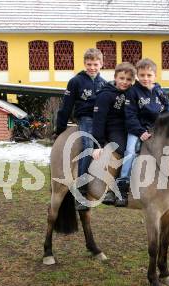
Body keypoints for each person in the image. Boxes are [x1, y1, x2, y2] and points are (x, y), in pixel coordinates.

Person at [114, 58, 169, 207]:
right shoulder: (132, 92)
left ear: (155, 76)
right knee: (130, 151)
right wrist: (140, 132)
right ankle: (123, 186)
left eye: (149, 75)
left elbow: (168, 110)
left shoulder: (160, 91)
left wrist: (164, 127)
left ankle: (168, 190)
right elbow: (130, 116)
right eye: (142, 75)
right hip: (138, 129)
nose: (145, 78)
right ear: (137, 75)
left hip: (157, 130)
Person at [54, 48, 107, 210]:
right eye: (89, 64)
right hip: (86, 119)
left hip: (102, 120)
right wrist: (60, 129)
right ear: (84, 64)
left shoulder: (104, 83)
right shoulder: (75, 81)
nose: (92, 67)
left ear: (102, 64)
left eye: (95, 64)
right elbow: (66, 106)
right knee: (88, 146)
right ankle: (81, 187)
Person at [91, 62, 136, 204]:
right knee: (120, 149)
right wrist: (97, 143)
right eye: (122, 78)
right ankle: (111, 190)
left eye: (129, 79)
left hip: (130, 127)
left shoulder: (133, 93)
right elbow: (98, 120)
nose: (125, 82)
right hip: (113, 128)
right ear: (115, 77)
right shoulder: (105, 95)